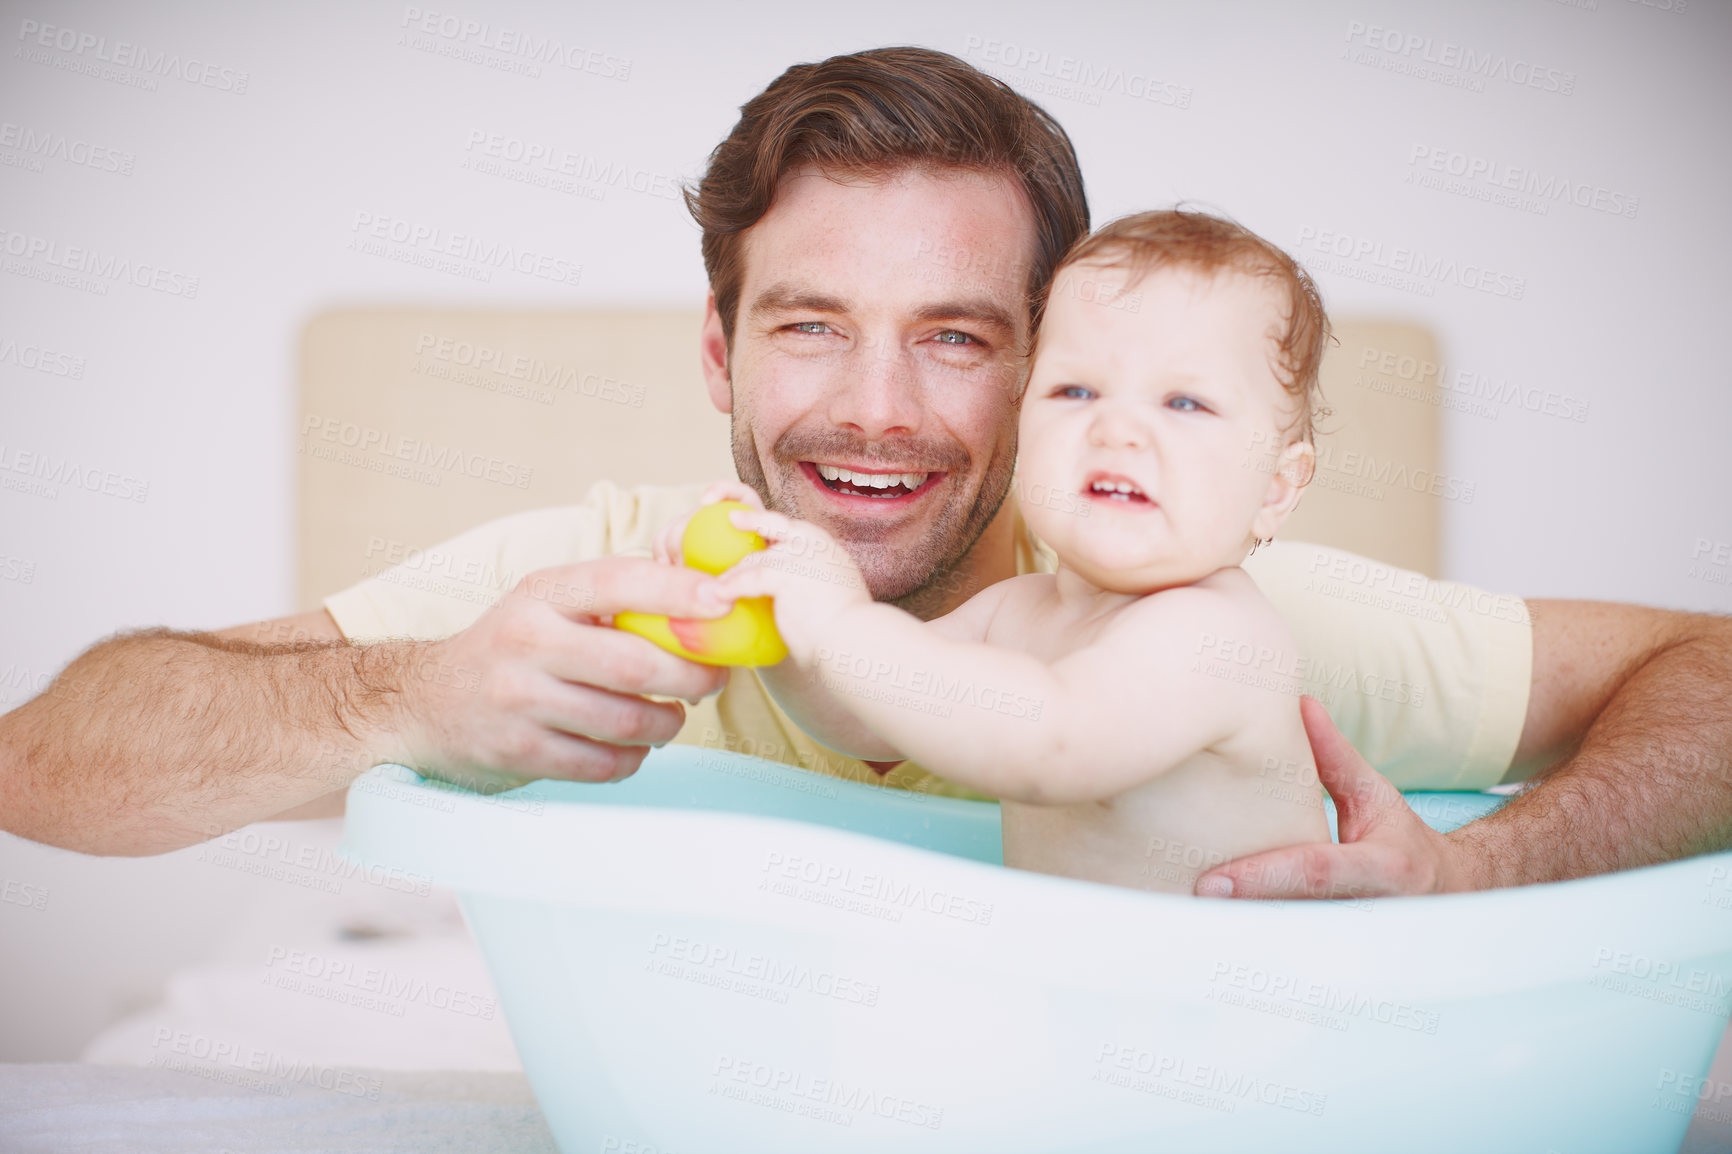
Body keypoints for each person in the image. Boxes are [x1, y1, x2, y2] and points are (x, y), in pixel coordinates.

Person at [2, 48, 1727, 903]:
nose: (877, 411)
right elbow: (47, 763)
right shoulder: (597, 586)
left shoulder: (1210, 625)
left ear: (1055, 368)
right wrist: (406, 694)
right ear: (716, 353)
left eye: (961, 339)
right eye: (812, 323)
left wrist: (1479, 871)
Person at [691, 208, 1335, 894]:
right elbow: (865, 709)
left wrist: (840, 621)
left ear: (1276, 485)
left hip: (1228, 991)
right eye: (1076, 390)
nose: (1116, 429)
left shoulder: (1217, 634)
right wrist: (776, 579)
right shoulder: (1016, 612)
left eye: (1184, 404)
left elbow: (1050, 742)